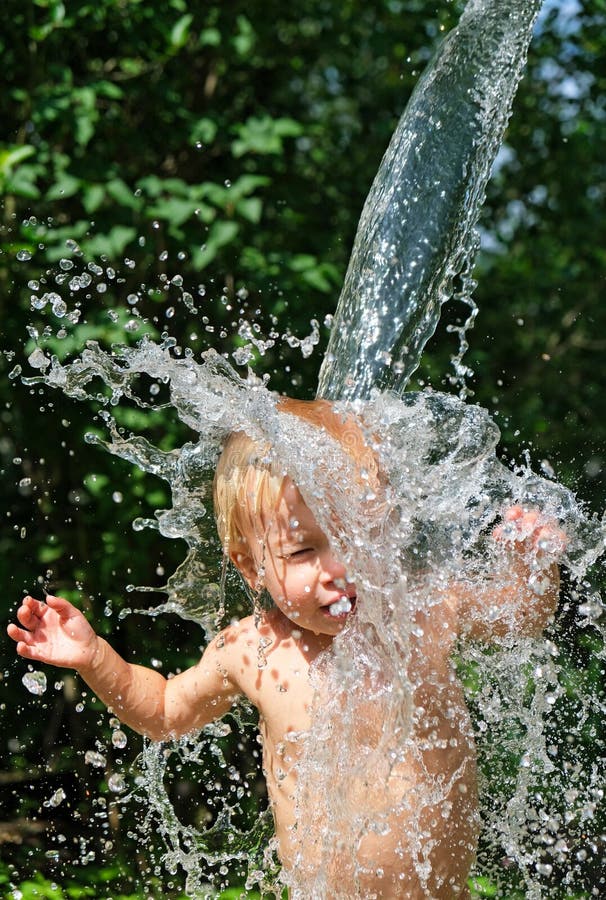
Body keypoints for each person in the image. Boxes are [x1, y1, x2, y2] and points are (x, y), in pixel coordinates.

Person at [7, 398, 565, 899]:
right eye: (303, 552)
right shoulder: (254, 651)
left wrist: (533, 568)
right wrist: (95, 657)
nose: (338, 569)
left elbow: (517, 616)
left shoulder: (418, 612)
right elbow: (163, 711)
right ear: (252, 564)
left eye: (356, 535)